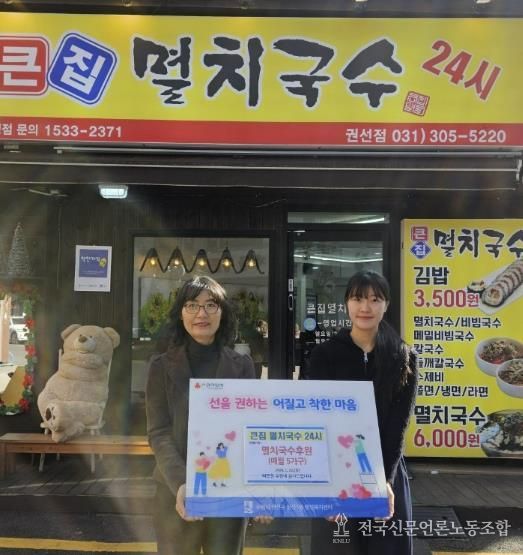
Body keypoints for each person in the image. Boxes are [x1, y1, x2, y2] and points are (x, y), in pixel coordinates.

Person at [309, 270, 418, 555]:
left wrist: (385, 480)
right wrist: (329, 482)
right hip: (335, 471)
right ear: (347, 303)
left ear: (386, 305)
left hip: (385, 469)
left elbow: (398, 425)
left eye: (374, 299)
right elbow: (316, 421)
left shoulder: (403, 357)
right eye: (358, 299)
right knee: (337, 547)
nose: (365, 307)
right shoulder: (324, 355)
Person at [146, 275, 255, 555]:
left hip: (229, 491)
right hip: (176, 492)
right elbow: (158, 432)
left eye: (211, 305)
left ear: (223, 313)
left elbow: (250, 430)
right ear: (181, 313)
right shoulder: (160, 367)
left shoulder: (242, 366)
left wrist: (261, 489)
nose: (201, 314)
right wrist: (181, 482)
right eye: (192, 305)